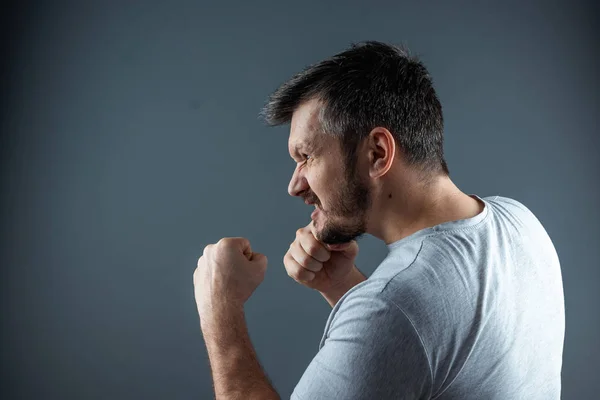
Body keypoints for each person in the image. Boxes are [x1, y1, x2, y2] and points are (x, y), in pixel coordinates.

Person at [262, 41, 565, 399]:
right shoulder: (520, 222)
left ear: (378, 153)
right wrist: (340, 284)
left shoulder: (393, 305)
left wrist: (220, 308)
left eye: (307, 156)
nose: (294, 185)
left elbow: (404, 318)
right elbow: (435, 346)